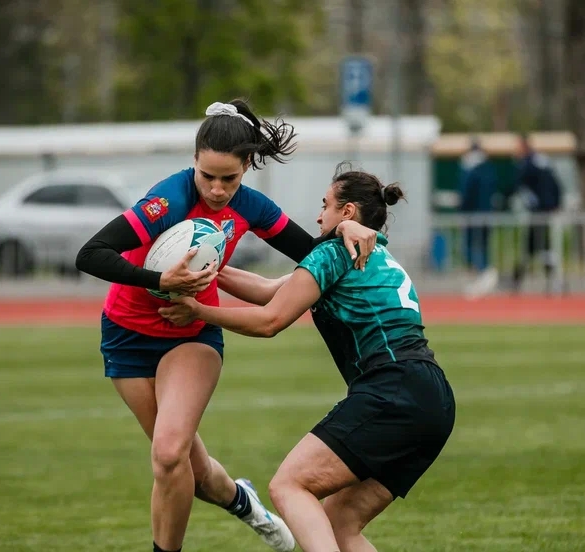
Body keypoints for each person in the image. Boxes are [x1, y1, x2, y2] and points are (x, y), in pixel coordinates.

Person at [75, 101, 378, 552]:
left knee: (168, 454)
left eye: (229, 179)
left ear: (247, 167)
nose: (217, 190)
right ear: (194, 162)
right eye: (208, 176)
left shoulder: (252, 206)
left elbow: (309, 251)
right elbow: (91, 254)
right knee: (195, 473)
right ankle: (243, 501)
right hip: (126, 333)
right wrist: (160, 280)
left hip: (191, 335)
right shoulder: (168, 201)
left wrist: (345, 230)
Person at [159, 164, 456, 552]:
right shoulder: (371, 256)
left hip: (393, 389)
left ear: (347, 212)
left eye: (325, 205)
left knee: (289, 485)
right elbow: (269, 290)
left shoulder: (335, 252)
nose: (318, 216)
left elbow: (271, 320)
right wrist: (205, 262)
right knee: (340, 525)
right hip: (433, 400)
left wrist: (199, 312)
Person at [507, 135, 563, 294]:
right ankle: (551, 281)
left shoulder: (527, 164)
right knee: (541, 246)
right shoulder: (542, 161)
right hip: (546, 209)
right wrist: (556, 203)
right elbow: (555, 184)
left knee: (537, 246)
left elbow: (520, 186)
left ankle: (520, 280)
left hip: (539, 211)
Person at [458, 137, 499, 298]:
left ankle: (482, 277)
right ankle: (483, 276)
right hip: (487, 213)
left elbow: (466, 193)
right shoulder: (489, 168)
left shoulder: (470, 168)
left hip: (473, 214)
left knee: (472, 248)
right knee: (483, 246)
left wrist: (462, 208)